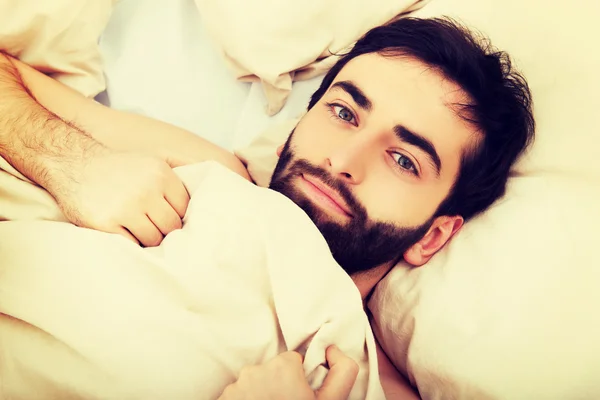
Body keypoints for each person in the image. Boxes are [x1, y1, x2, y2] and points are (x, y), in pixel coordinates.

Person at [0, 16, 534, 399]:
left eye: (403, 159)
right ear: (291, 132)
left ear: (433, 236)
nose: (343, 159)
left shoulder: (372, 383)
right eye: (344, 112)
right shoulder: (210, 177)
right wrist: (72, 162)